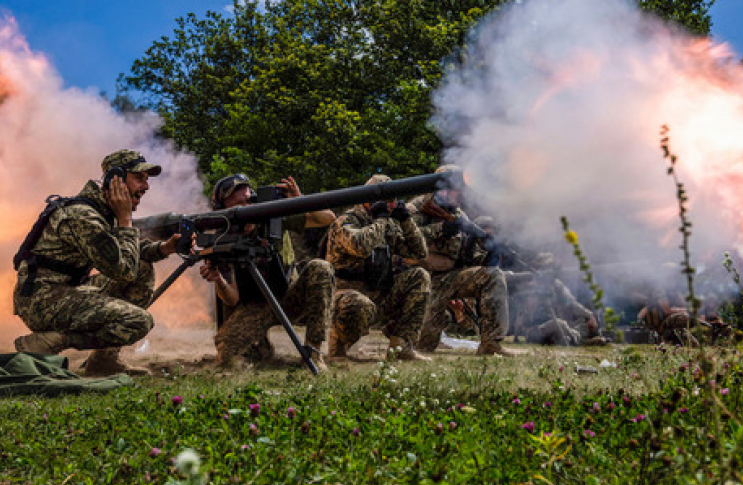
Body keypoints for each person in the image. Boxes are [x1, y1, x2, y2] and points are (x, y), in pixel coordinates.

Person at [13, 149, 181, 376]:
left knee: (142, 267)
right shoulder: (83, 216)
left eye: (147, 180)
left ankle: (104, 361)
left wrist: (165, 248)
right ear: (116, 180)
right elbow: (124, 270)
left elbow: (131, 253)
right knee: (138, 321)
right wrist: (125, 220)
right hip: (41, 300)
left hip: (66, 290)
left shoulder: (102, 211)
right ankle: (53, 340)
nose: (146, 186)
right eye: (139, 178)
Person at [199, 174, 336, 369]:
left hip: (290, 296)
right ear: (222, 210)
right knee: (228, 357)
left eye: (249, 201)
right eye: (237, 205)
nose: (247, 208)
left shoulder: (274, 218)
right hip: (256, 306)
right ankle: (259, 348)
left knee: (320, 268)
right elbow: (232, 299)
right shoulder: (220, 239)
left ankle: (313, 353)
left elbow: (327, 219)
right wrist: (219, 280)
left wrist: (299, 199)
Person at [408, 165, 513, 356]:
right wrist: (441, 230)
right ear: (443, 189)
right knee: (422, 346)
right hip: (417, 280)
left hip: (448, 278)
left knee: (492, 276)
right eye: (458, 191)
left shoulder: (458, 215)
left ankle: (491, 344)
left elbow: (466, 257)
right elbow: (402, 239)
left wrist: (488, 253)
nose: (462, 196)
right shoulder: (417, 208)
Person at [326, 174, 432, 361]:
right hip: (347, 294)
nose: (392, 204)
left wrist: (407, 222)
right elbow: (360, 246)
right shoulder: (346, 221)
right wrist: (381, 220)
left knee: (419, 276)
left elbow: (419, 253)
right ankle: (338, 347)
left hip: (378, 291)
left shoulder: (388, 224)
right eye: (388, 200)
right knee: (358, 304)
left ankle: (402, 347)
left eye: (395, 200)